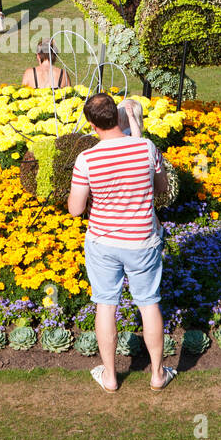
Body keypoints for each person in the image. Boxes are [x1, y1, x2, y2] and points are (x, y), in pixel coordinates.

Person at [67, 92, 176, 393]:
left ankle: (111, 377)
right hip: (142, 240)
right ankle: (157, 374)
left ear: (91, 124)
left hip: (103, 242)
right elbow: (161, 189)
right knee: (149, 303)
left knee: (105, 304)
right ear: (118, 117)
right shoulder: (146, 148)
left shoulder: (86, 159)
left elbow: (76, 209)